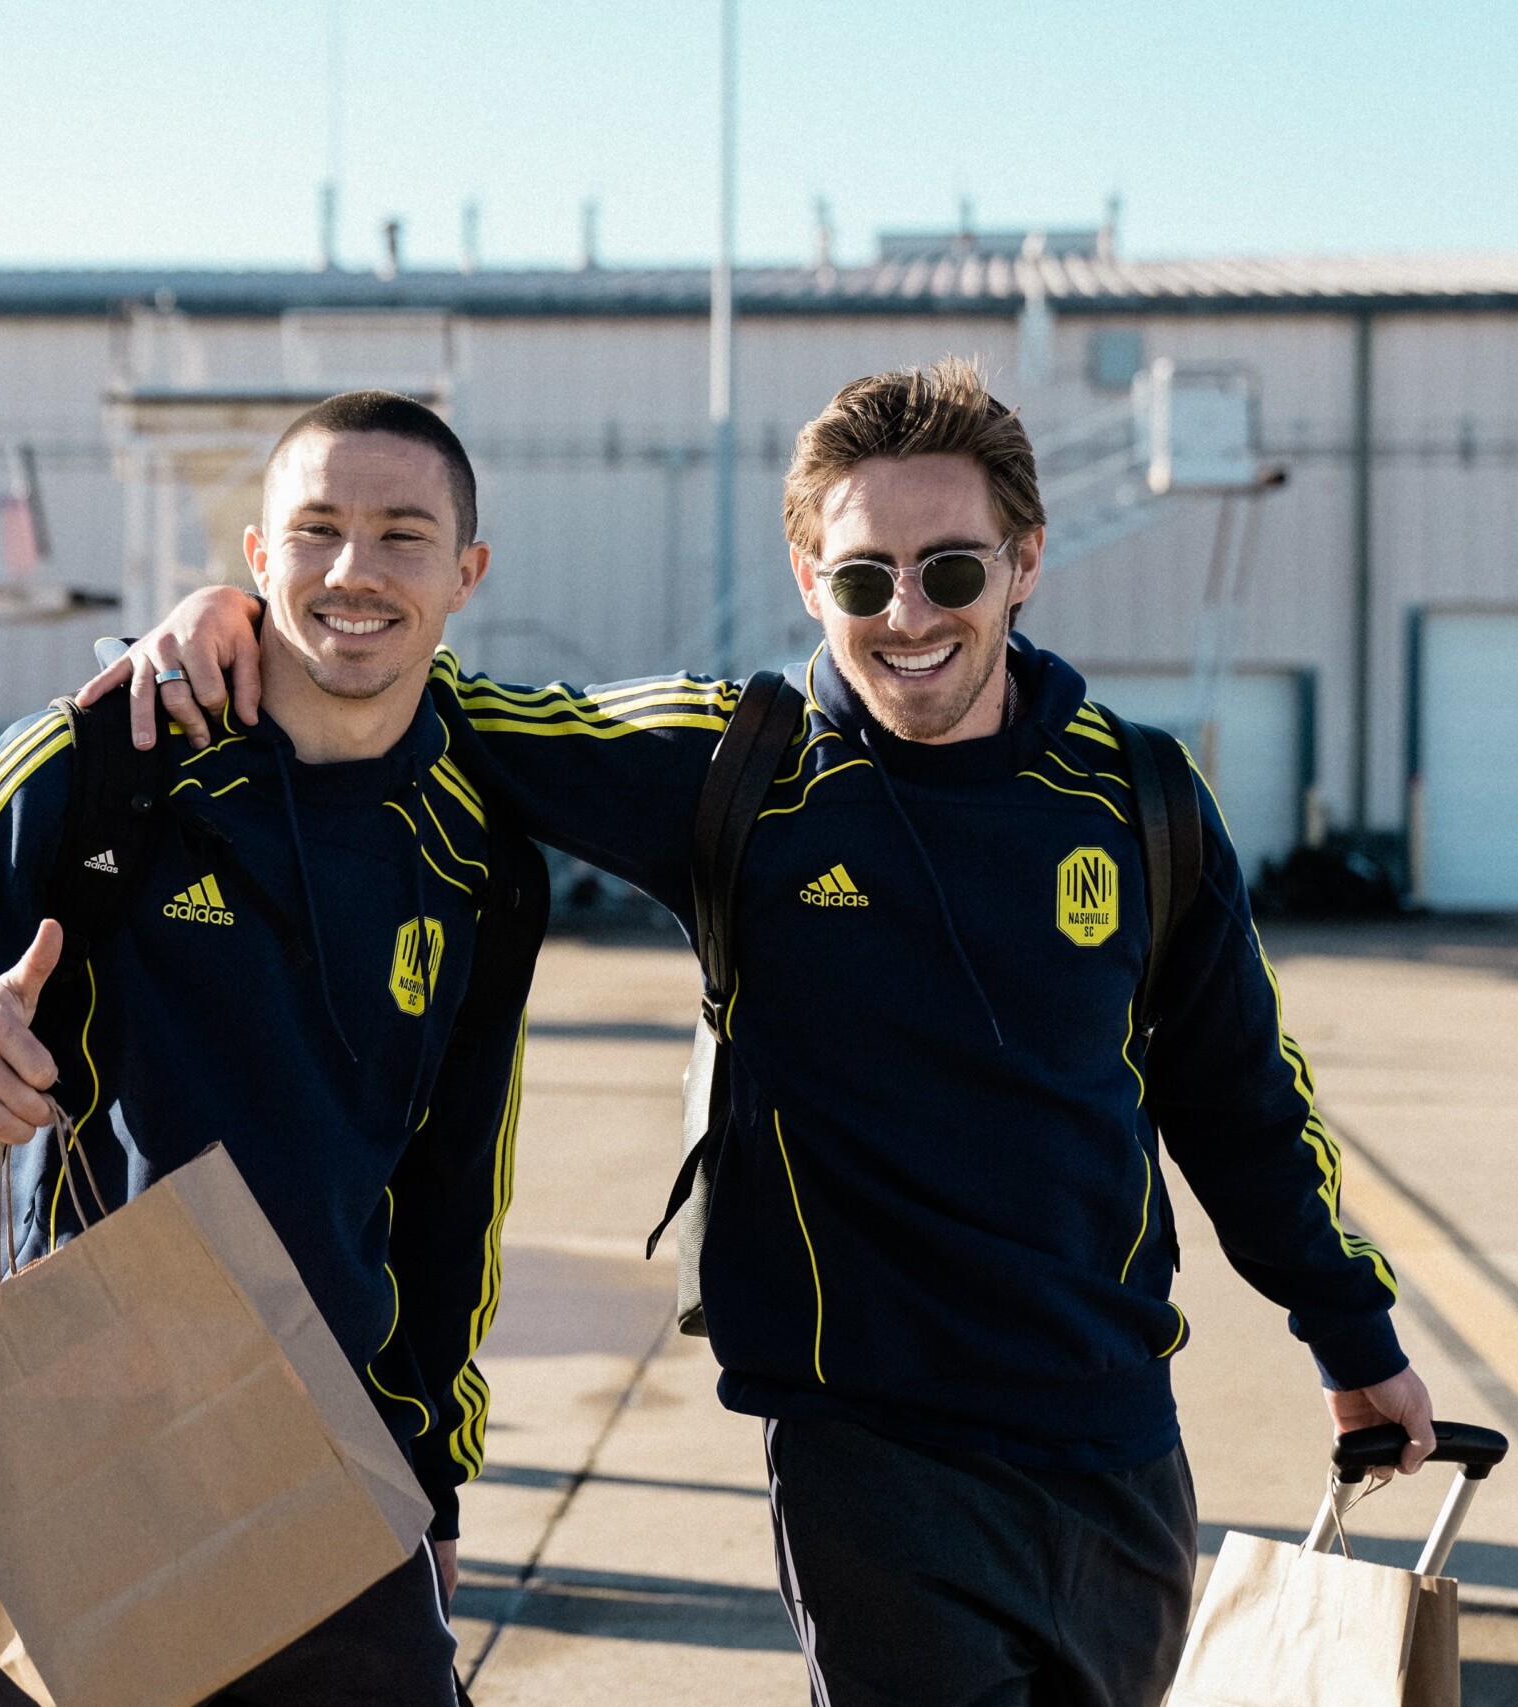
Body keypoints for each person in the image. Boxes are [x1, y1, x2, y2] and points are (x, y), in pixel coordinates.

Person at [92, 359, 1439, 1707]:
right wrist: (243, 616)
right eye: (863, 577)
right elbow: (421, 690)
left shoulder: (1140, 796)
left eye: (951, 570)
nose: (907, 614)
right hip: (871, 1450)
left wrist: (1354, 1337)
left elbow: (1241, 1096)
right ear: (811, 583)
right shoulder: (742, 766)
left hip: (1117, 1444)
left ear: (1026, 561)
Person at [0, 393, 534, 1707]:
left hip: (332, 1459)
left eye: (403, 534)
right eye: (318, 530)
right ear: (256, 558)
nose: (354, 569)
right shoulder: (94, 760)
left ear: (468, 572)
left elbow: (449, 1193)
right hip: (75, 1439)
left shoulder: (478, 850)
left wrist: (433, 1472)